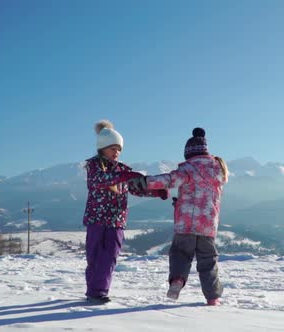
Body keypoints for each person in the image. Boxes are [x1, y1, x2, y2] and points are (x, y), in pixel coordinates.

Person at [83, 120, 168, 304]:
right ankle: (93, 290)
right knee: (95, 256)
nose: (116, 152)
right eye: (112, 148)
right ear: (102, 148)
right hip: (96, 219)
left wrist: (155, 191)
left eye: (119, 149)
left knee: (110, 256)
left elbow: (135, 188)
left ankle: (99, 291)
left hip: (116, 220)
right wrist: (126, 175)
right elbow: (99, 181)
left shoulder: (123, 169)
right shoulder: (94, 166)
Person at [144, 127, 229, 306]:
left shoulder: (188, 169)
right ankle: (213, 298)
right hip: (208, 227)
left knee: (180, 254)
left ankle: (177, 280)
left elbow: (167, 180)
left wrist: (145, 181)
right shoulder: (219, 170)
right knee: (208, 262)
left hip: (186, 225)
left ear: (188, 154)